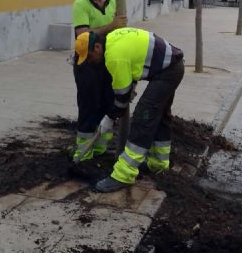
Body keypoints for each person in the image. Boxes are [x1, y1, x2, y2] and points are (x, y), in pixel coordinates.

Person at [74, 27, 184, 192]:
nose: (90, 61)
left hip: (167, 71)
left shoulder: (113, 57)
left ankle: (124, 174)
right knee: (160, 115)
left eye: (89, 57)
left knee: (143, 117)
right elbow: (132, 62)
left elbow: (122, 99)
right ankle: (159, 164)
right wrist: (129, 87)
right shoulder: (112, 39)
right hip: (171, 65)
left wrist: (110, 118)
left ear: (97, 47)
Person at [72, 0, 127, 161]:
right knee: (88, 104)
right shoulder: (80, 4)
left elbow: (122, 28)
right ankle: (83, 151)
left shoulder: (114, 1)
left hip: (109, 59)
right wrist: (111, 26)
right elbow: (83, 34)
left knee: (107, 102)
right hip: (87, 62)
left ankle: (101, 149)